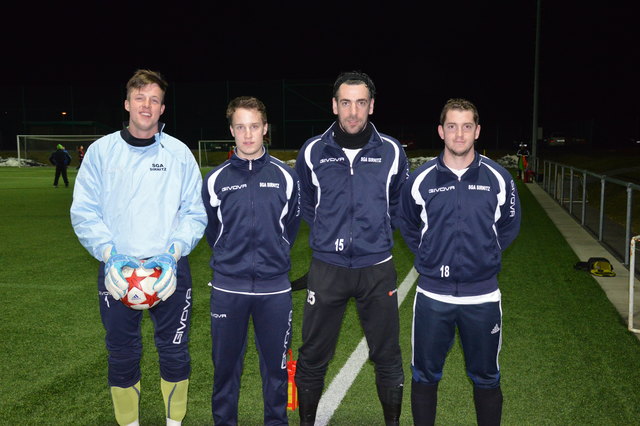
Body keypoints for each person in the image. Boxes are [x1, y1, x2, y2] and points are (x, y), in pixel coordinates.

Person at [70, 69, 207, 426]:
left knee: (175, 350)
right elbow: (85, 211)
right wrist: (109, 253)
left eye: (155, 100)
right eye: (140, 98)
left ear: (163, 109)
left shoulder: (179, 154)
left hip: (169, 271)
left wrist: (173, 252)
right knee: (121, 352)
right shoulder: (101, 152)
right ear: (128, 103)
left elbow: (195, 211)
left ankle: (174, 423)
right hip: (118, 272)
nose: (147, 105)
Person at [294, 71, 409, 426]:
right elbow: (306, 203)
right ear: (334, 105)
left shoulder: (391, 151)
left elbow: (397, 205)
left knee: (387, 355)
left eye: (361, 103)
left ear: (371, 106)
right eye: (346, 102)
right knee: (313, 355)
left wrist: (372, 235)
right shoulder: (313, 151)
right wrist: (330, 236)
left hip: (377, 269)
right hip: (328, 269)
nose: (353, 112)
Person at [397, 98, 521, 425]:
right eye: (452, 126)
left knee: (486, 377)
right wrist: (427, 254)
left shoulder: (499, 178)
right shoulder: (421, 179)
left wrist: (485, 256)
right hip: (433, 297)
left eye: (467, 126)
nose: (459, 134)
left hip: (482, 297)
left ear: (477, 131)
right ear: (441, 131)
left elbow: (510, 224)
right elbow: (407, 222)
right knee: (424, 375)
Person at [202, 96, 301, 425]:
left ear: (265, 129)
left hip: (274, 290)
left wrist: (276, 252)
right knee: (226, 369)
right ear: (231, 130)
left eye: (254, 126)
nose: (248, 134)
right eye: (241, 127)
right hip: (229, 288)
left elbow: (291, 226)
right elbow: (212, 229)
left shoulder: (285, 178)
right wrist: (229, 253)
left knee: (275, 369)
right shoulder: (216, 180)